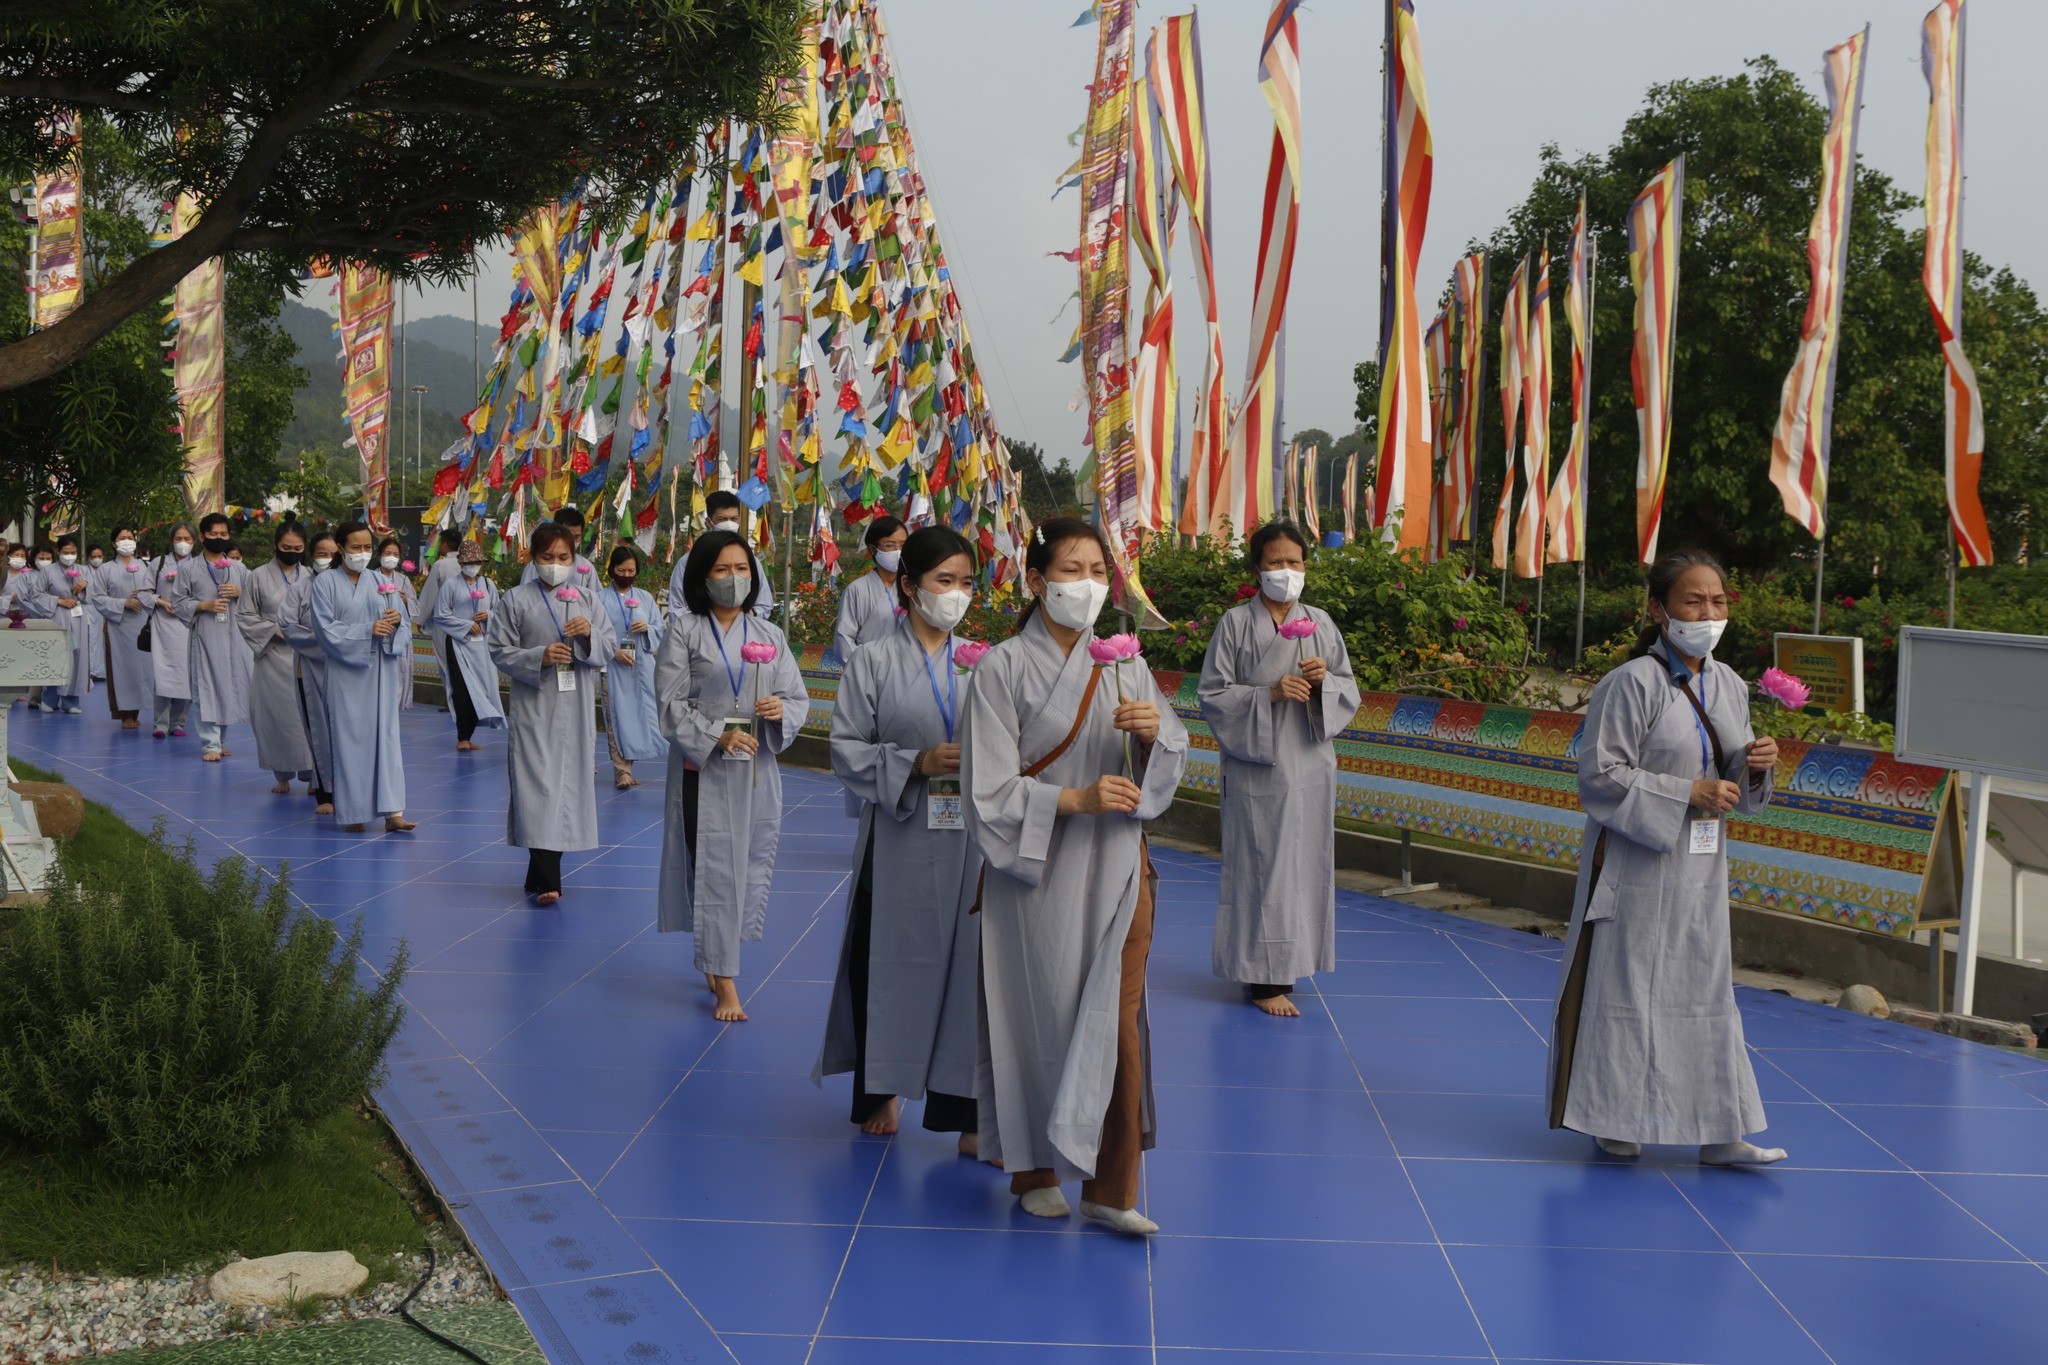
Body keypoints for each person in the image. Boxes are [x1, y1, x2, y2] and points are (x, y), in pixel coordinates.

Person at [959, 518, 1188, 1236]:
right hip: (1037, 874)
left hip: (1118, 866)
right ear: (1036, 581)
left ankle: (1112, 1187)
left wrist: (1154, 737)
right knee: (1036, 1015)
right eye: (1071, 570)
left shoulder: (1123, 662)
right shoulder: (1000, 668)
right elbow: (987, 790)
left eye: (1097, 571)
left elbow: (1169, 753)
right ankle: (1034, 1170)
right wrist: (1074, 799)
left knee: (1118, 1028)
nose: (1086, 585)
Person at [1548, 550, 1785, 1167]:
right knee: (1628, 990)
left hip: (1699, 871)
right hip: (1636, 868)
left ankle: (1721, 1130)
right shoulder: (1630, 683)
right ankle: (1615, 1118)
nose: (1708, 614)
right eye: (1693, 601)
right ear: (1659, 610)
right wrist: (1686, 793)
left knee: (1705, 992)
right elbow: (1600, 776)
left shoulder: (1729, 684)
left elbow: (1734, 782)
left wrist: (1754, 766)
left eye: (1718, 601)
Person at [815, 526, 984, 1148]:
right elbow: (845, 749)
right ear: (909, 586)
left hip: (969, 838)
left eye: (967, 583)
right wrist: (916, 762)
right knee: (883, 959)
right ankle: (879, 1087)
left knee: (969, 966)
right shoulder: (872, 661)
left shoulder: (984, 662)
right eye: (944, 581)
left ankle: (964, 1113)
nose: (957, 594)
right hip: (899, 831)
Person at [1197, 522, 1361, 1015]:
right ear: (1257, 569)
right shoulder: (1234, 624)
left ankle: (1293, 963)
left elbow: (1348, 688)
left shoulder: (1320, 622)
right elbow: (1213, 695)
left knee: (1305, 866)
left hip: (1309, 764)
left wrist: (1324, 682)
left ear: (1306, 566)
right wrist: (1268, 692)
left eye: (1293, 562)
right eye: (1275, 562)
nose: (1285, 571)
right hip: (1259, 767)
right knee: (1262, 867)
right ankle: (1264, 980)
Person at [654, 528, 810, 1022]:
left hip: (756, 770)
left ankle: (714, 955)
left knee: (746, 866)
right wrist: (716, 735)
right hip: (705, 770)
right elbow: (669, 704)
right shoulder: (684, 631)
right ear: (703, 577)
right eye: (722, 569)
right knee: (716, 869)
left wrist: (780, 709)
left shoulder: (770, 634)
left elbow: (797, 697)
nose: (733, 577)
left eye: (742, 568)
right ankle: (726, 981)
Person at [486, 522, 615, 904]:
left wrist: (589, 635)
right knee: (538, 786)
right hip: (534, 705)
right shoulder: (515, 599)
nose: (555, 565)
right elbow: (498, 649)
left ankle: (538, 875)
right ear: (532, 557)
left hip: (575, 706)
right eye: (546, 557)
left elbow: (609, 645)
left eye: (563, 557)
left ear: (574, 559)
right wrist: (538, 656)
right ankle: (549, 882)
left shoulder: (588, 599)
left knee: (566, 786)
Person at [311, 521, 416, 834]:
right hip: (347, 672)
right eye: (355, 547)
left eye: (367, 547)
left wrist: (395, 622)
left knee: (386, 738)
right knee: (351, 740)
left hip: (381, 670)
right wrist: (366, 630)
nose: (362, 553)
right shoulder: (325, 583)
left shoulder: (380, 581)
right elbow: (325, 630)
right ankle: (354, 811)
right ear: (340, 548)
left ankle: (393, 812)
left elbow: (404, 627)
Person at [237, 523, 316, 795]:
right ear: (275, 545)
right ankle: (281, 775)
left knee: (308, 716)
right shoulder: (257, 576)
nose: (292, 552)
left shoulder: (312, 575)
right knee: (275, 717)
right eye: (286, 547)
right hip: (272, 654)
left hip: (307, 654)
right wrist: (273, 630)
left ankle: (313, 775)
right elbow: (245, 614)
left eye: (298, 548)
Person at [167, 513, 253, 760]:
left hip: (234, 636)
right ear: (202, 537)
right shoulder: (189, 569)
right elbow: (178, 601)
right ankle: (210, 744)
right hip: (205, 635)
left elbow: (256, 599)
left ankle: (222, 740)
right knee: (206, 687)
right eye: (213, 534)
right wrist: (203, 605)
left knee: (228, 684)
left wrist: (240, 592)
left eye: (223, 534)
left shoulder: (239, 568)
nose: (219, 538)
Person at [599, 543, 664, 790]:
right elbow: (594, 633)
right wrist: (612, 652)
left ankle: (631, 763)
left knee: (638, 715)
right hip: (612, 667)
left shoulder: (645, 598)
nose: (626, 575)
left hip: (641, 667)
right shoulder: (600, 599)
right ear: (612, 570)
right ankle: (622, 772)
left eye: (631, 570)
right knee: (615, 718)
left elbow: (659, 628)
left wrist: (648, 629)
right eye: (621, 570)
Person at [284, 532, 340, 814]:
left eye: (332, 554)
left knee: (347, 732)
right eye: (321, 554)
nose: (327, 559)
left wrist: (345, 645)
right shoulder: (300, 589)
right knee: (319, 730)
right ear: (312, 556)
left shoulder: (354, 586)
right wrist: (329, 644)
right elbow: (288, 625)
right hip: (310, 667)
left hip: (348, 668)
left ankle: (352, 789)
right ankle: (325, 792)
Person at [432, 540, 505, 751]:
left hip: (482, 645)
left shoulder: (488, 585)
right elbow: (441, 614)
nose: (473, 566)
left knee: (481, 686)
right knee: (462, 689)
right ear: (462, 563)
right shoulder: (451, 585)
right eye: (469, 562)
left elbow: (499, 611)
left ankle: (471, 733)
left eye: (476, 562)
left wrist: (488, 616)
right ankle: (462, 736)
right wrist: (465, 625)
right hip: (458, 644)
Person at [666, 492, 776, 624]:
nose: (729, 524)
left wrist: (748, 616)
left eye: (734, 519)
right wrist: (704, 625)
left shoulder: (750, 560)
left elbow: (764, 604)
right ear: (709, 522)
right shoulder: (689, 561)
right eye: (722, 519)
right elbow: (676, 608)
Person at [92, 526, 155, 729]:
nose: (127, 541)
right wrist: (123, 603)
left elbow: (156, 592)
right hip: (118, 627)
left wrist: (144, 597)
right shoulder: (106, 569)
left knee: (142, 670)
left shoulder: (147, 567)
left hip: (143, 624)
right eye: (122, 538)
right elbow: (97, 598)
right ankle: (124, 714)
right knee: (121, 670)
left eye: (130, 537)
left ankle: (139, 711)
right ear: (114, 543)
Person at [21, 536, 95, 712]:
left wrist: (86, 585)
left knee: (77, 657)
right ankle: (50, 699)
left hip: (78, 617)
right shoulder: (48, 571)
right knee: (57, 656)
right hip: (58, 617)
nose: (69, 556)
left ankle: (71, 702)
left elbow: (96, 592)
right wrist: (59, 601)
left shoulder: (83, 570)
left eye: (73, 552)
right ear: (58, 552)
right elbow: (36, 595)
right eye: (65, 552)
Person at [832, 515, 905, 666]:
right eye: (890, 545)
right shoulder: (857, 590)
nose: (898, 551)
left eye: (903, 545)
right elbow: (844, 640)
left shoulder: (912, 588)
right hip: (869, 670)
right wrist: (866, 669)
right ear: (873, 549)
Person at [147, 524, 197, 738]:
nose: (182, 543)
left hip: (189, 624)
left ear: (194, 541)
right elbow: (144, 592)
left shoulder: (199, 565)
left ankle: (178, 722)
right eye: (178, 538)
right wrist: (160, 602)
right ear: (171, 541)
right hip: (163, 625)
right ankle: (160, 723)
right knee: (163, 673)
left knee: (186, 673)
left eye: (187, 538)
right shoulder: (158, 563)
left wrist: (188, 606)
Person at [423, 526, 466, 707]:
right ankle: (462, 701)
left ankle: (452, 702)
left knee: (444, 660)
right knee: (463, 661)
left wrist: (420, 618)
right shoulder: (466, 564)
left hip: (444, 619)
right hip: (465, 620)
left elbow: (429, 594)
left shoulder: (441, 565)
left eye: (440, 542)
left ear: (445, 545)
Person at [376, 536, 420, 709]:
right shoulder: (370, 577)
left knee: (398, 676)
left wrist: (406, 600)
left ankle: (394, 708)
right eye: (387, 553)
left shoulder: (403, 580)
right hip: (381, 631)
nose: (391, 557)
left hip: (399, 633)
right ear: (379, 555)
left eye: (395, 554)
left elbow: (415, 607)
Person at [518, 505, 594, 587]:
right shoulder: (537, 565)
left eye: (577, 536)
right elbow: (525, 591)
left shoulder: (586, 566)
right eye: (568, 535)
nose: (572, 541)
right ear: (555, 530)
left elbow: (594, 593)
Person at [84, 545, 107, 684]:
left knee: (103, 640)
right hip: (89, 609)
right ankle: (91, 670)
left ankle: (103, 671)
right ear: (88, 557)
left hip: (104, 609)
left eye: (99, 556)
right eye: (94, 556)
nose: (97, 559)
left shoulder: (107, 570)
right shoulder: (83, 571)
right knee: (91, 639)